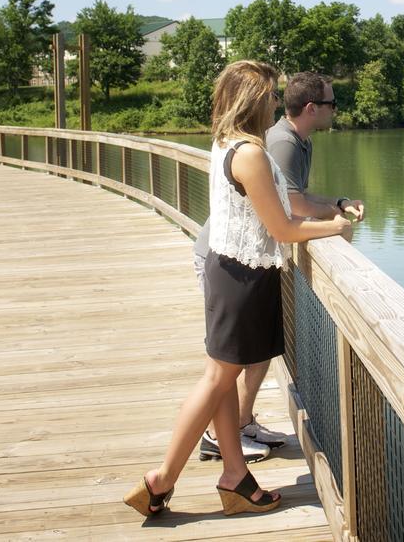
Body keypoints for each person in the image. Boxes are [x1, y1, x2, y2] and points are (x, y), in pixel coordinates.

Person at [123, 60, 351, 518]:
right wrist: (334, 226)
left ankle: (235, 477)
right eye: (268, 96)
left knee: (222, 382)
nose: (274, 104)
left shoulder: (225, 143)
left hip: (227, 270)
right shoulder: (250, 154)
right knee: (215, 381)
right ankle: (160, 479)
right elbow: (283, 228)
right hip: (242, 280)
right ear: (253, 101)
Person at [190, 71, 366, 462]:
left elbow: (294, 200)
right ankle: (212, 442)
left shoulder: (297, 142)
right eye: (331, 104)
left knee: (251, 355)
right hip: (233, 258)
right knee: (227, 366)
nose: (274, 103)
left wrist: (337, 203)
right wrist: (332, 226)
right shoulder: (277, 144)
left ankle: (241, 424)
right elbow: (290, 211)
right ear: (311, 108)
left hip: (249, 258)